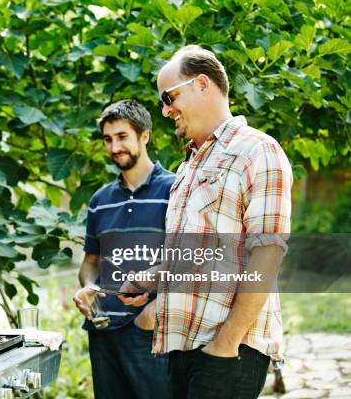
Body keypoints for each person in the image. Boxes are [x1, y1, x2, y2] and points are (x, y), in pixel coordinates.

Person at [121, 45, 293, 399]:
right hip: (181, 345)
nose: (166, 111)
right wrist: (150, 279)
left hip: (228, 349)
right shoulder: (190, 165)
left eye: (168, 98)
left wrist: (227, 343)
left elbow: (268, 254)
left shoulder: (257, 150)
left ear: (202, 83)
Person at [73, 99, 174, 399]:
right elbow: (90, 264)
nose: (115, 147)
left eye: (122, 137)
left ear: (144, 136)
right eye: (108, 139)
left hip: (152, 331)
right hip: (103, 332)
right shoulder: (99, 200)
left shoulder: (175, 189)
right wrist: (88, 289)